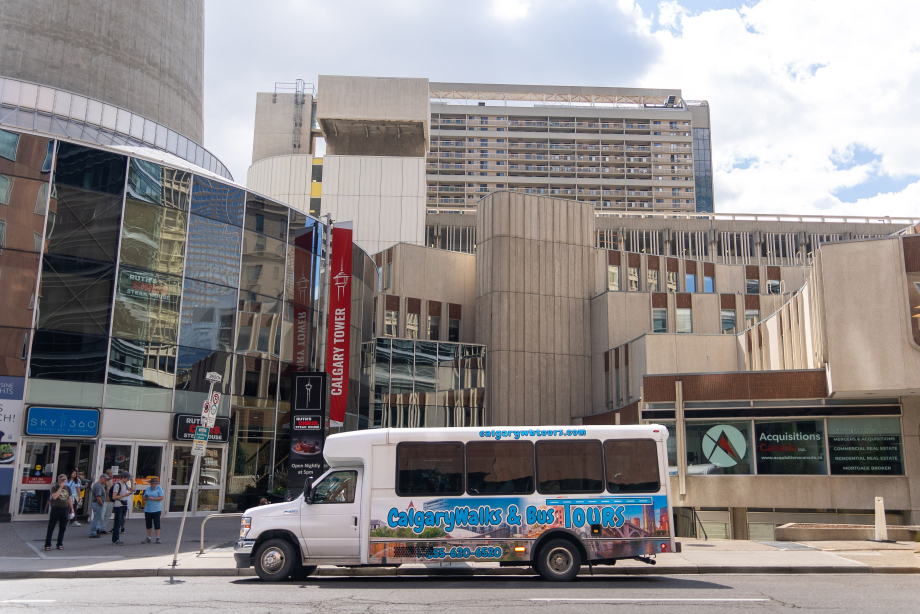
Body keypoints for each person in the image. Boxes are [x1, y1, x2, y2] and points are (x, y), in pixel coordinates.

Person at [44, 474, 73, 551]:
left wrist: (72, 509)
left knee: (63, 527)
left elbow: (69, 499)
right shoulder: (54, 488)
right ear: (59, 480)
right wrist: (60, 488)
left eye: (65, 480)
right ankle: (47, 544)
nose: (63, 481)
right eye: (62, 480)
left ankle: (59, 543)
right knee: (51, 527)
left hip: (65, 509)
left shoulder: (68, 488)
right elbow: (54, 497)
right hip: (56, 509)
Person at [110, 472, 132, 545]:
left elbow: (132, 490)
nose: (127, 480)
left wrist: (132, 482)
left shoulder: (125, 484)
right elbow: (114, 497)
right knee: (117, 522)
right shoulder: (117, 485)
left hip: (124, 505)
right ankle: (115, 539)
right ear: (123, 477)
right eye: (127, 478)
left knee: (120, 522)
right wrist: (124, 495)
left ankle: (116, 539)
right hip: (118, 505)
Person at [142, 477, 164, 544]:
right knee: (148, 523)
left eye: (153, 483)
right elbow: (144, 497)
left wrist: (153, 498)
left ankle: (157, 537)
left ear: (156, 483)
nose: (152, 484)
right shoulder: (148, 489)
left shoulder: (159, 488)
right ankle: (148, 537)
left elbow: (161, 497)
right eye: (151, 483)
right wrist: (145, 497)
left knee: (156, 523)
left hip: (156, 509)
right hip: (148, 509)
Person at [99, 469, 115, 534]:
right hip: (105, 500)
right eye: (110, 473)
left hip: (110, 500)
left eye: (112, 473)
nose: (112, 475)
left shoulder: (111, 481)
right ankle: (99, 528)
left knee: (108, 515)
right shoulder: (104, 482)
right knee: (102, 515)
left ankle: (103, 528)